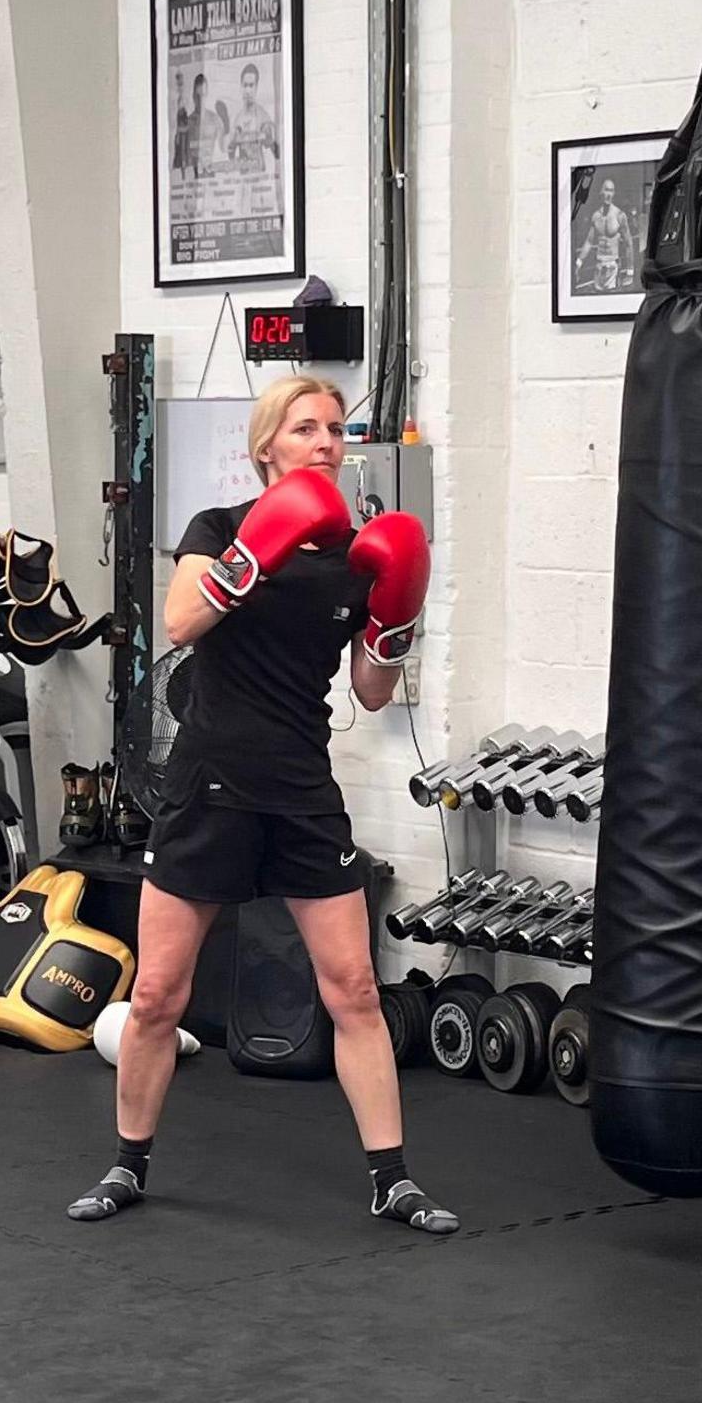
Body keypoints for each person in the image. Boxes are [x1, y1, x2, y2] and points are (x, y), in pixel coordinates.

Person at [66, 374, 449, 1234]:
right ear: (267, 444)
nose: (324, 441)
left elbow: (373, 691)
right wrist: (251, 559)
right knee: (160, 991)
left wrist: (397, 619)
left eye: (335, 428)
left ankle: (392, 1177)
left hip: (302, 789)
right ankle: (127, 1163)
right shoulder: (220, 529)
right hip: (209, 783)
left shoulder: (358, 557)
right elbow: (175, 622)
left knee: (352, 987)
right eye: (305, 427)